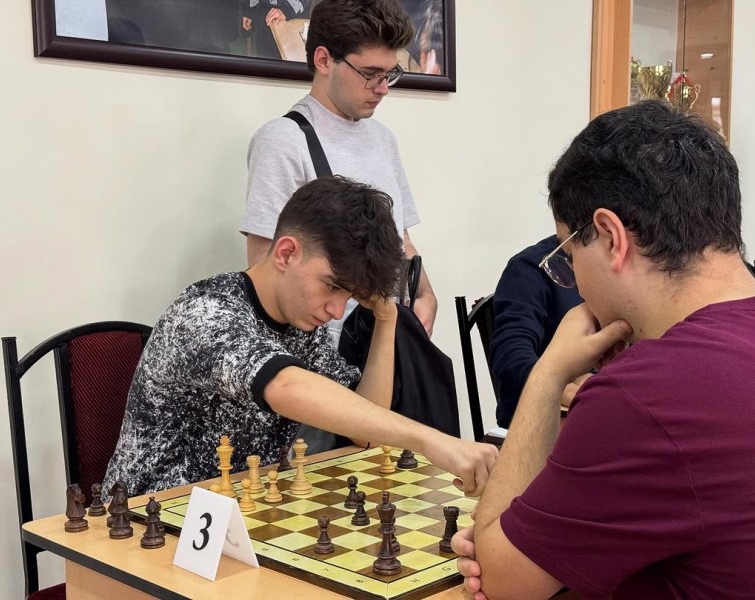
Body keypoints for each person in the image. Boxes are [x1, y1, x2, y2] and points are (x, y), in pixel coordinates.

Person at [452, 100, 755, 598]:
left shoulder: (646, 394)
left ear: (610, 237)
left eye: (569, 255)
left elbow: (503, 583)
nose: (576, 281)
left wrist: (550, 373)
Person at [103, 176, 496, 499]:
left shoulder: (300, 323)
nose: (337, 311)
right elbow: (286, 386)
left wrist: (386, 316)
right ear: (286, 253)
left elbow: (362, 430)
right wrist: (431, 440)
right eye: (332, 286)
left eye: (349, 295)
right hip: (145, 524)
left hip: (239, 514)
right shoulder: (205, 312)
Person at [241, 0, 438, 343]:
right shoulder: (283, 141)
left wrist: (425, 295)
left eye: (389, 74)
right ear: (323, 60)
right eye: (370, 74)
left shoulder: (383, 140)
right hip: (324, 351)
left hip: (390, 341)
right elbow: (265, 274)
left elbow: (400, 239)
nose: (383, 88)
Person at [490, 236, 583, 427]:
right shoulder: (530, 269)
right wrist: (563, 387)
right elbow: (510, 354)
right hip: (540, 423)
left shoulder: (624, 262)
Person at [240, 0, 311, 59]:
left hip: (293, 19)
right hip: (266, 20)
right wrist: (250, 10)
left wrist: (286, 9)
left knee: (291, 64)